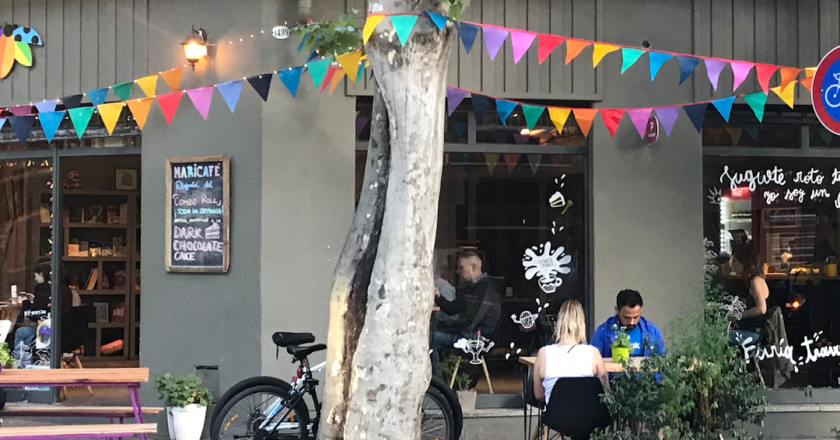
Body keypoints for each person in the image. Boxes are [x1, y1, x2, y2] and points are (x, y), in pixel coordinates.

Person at [430, 251, 501, 377]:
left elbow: (469, 323)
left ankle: (436, 384)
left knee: (432, 339)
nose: (458, 271)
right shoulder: (473, 288)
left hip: (478, 338)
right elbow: (453, 308)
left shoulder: (483, 289)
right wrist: (439, 297)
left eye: (461, 267)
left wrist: (444, 325)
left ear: (473, 267)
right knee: (433, 335)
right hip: (471, 334)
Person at [534, 299, 608, 404]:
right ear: (582, 324)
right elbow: (606, 391)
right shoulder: (593, 353)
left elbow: (538, 394)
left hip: (555, 418)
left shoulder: (543, 353)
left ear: (559, 322)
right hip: (588, 417)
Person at [591, 290, 665, 358]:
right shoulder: (603, 332)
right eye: (626, 318)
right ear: (617, 310)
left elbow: (661, 363)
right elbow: (592, 361)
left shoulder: (652, 331)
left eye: (636, 317)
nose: (631, 322)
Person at [728, 244, 768, 346]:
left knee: (718, 337)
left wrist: (740, 316)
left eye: (735, 261)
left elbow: (761, 308)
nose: (732, 264)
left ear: (744, 263)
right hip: (750, 331)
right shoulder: (753, 280)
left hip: (753, 333)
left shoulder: (755, 282)